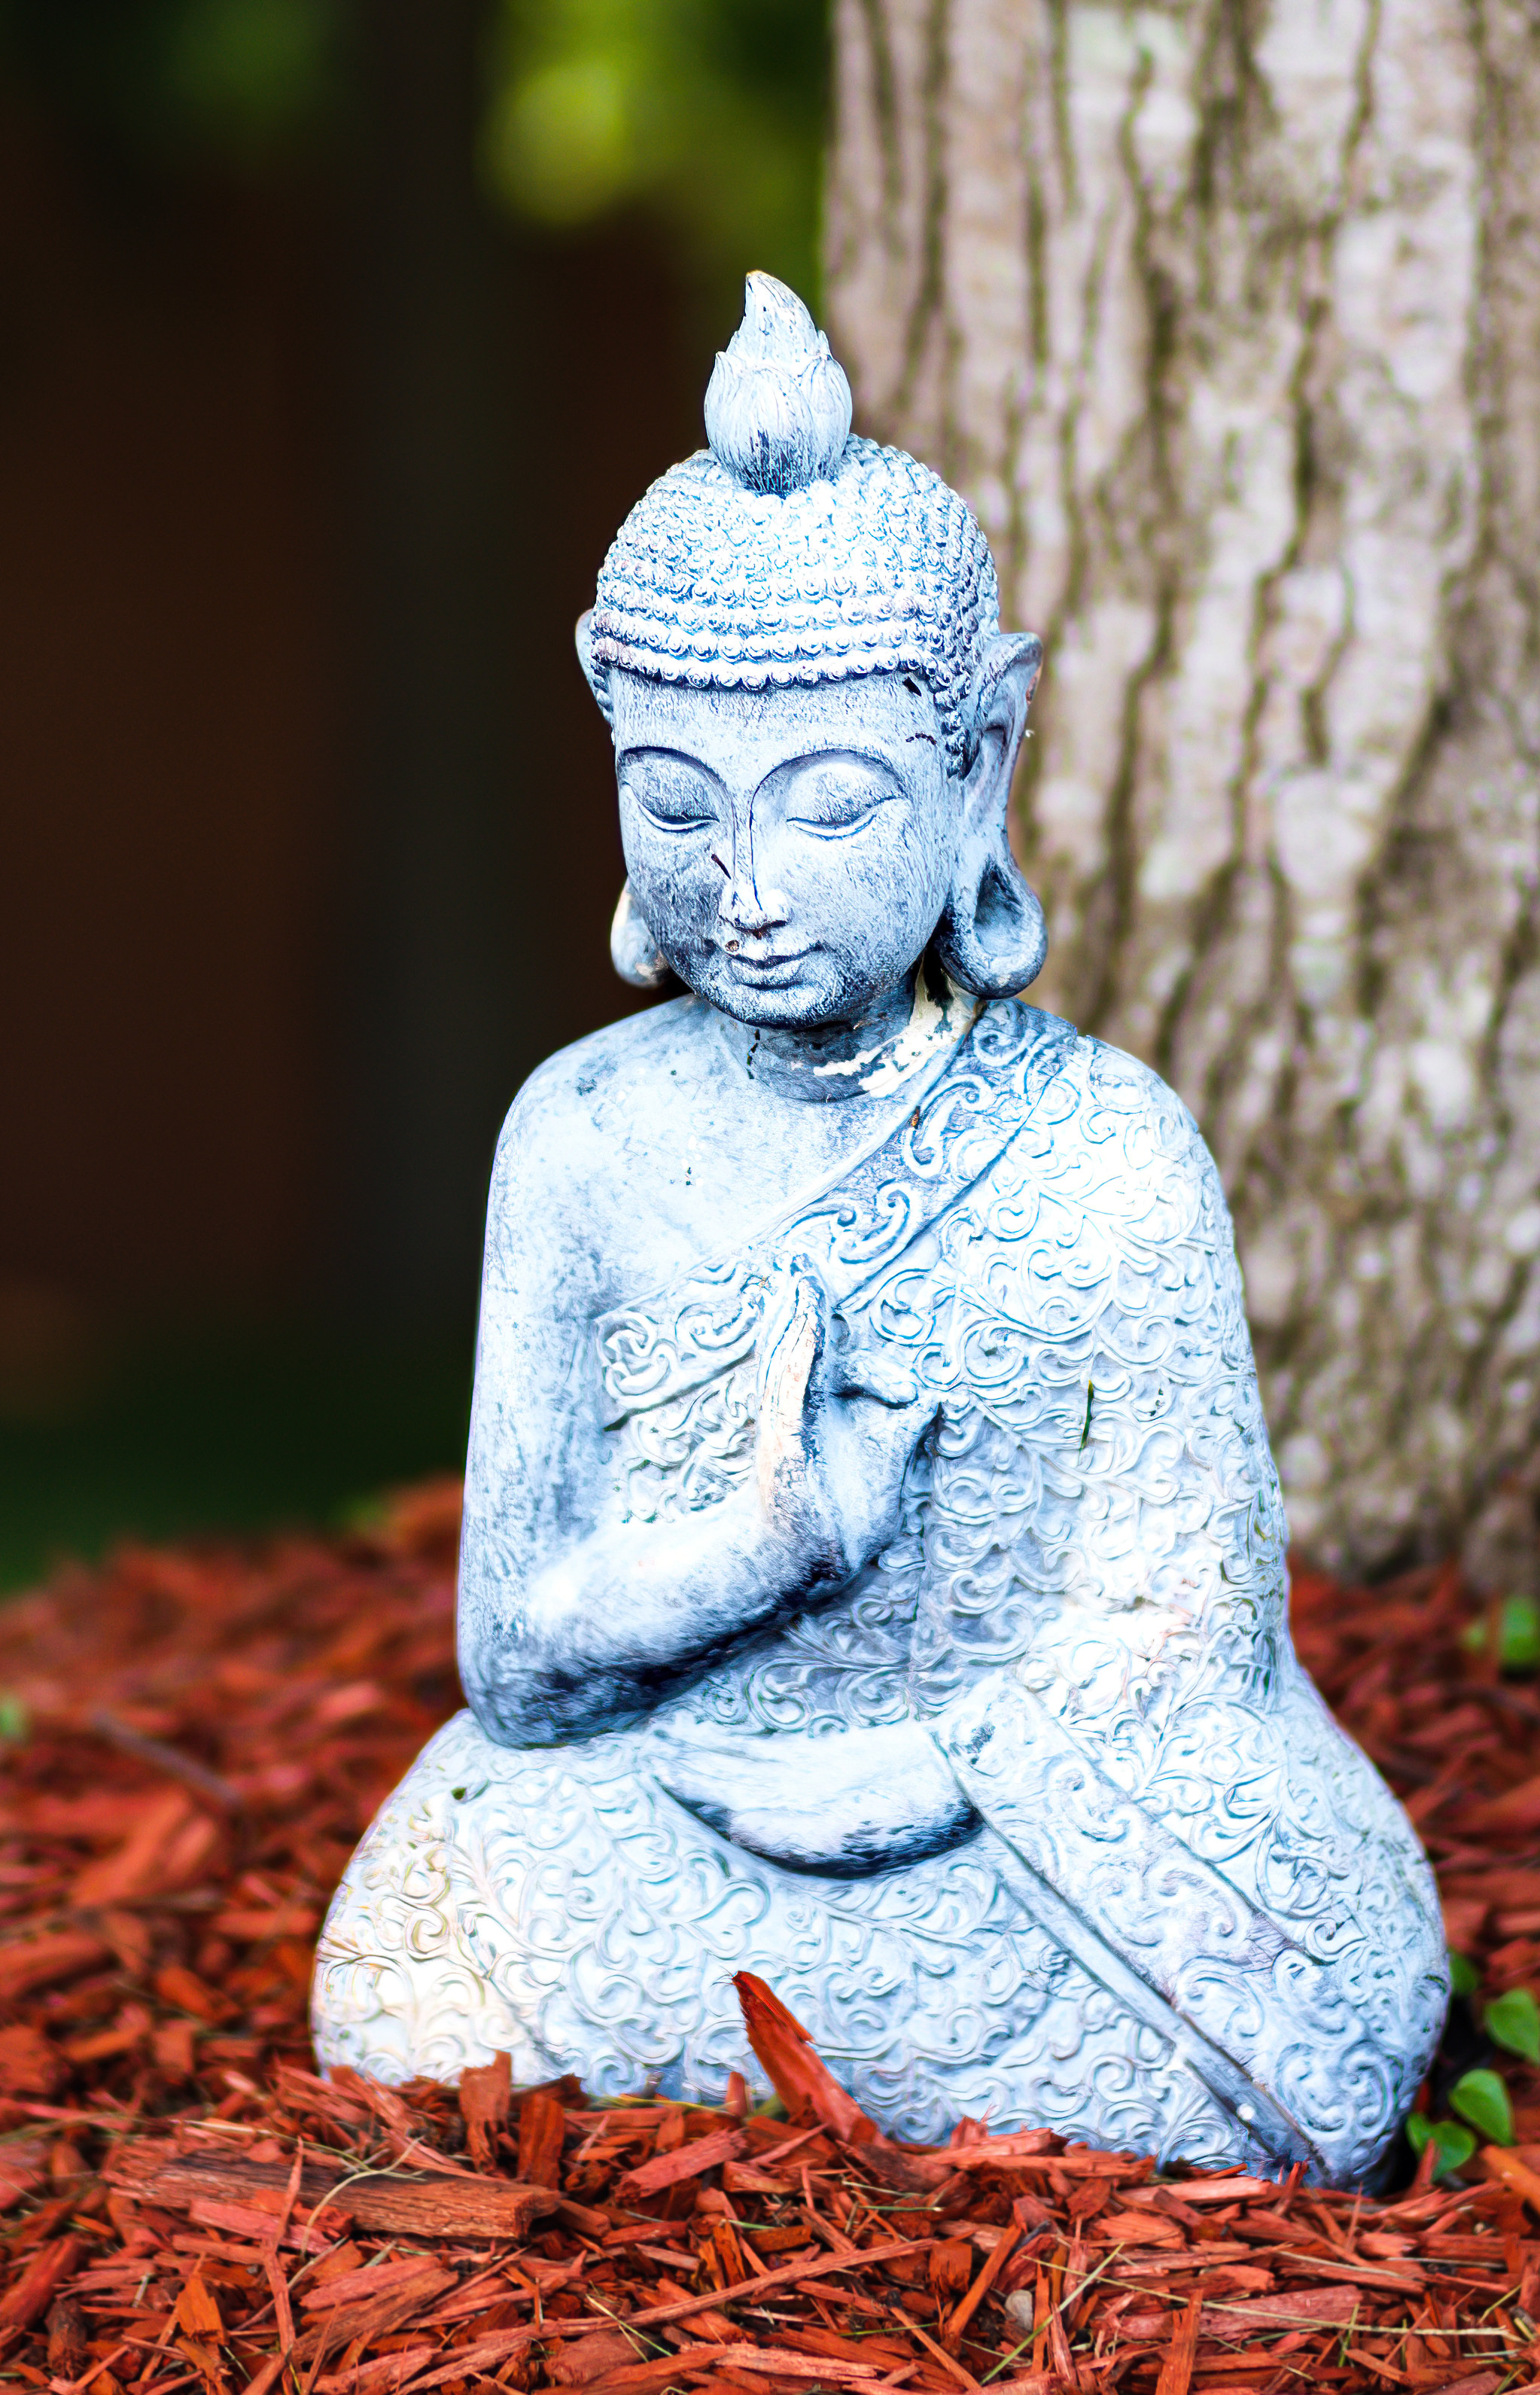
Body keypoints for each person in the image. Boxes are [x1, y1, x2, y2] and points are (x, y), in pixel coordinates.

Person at [309, 279, 1447, 2180]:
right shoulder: (579, 1136)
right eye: (677, 806)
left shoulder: (1101, 1147)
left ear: (979, 757)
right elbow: (515, 1655)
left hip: (1024, 1826)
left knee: (1309, 2002)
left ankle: (825, 2077)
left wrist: (925, 1768)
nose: (743, 891)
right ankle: (849, 2082)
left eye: (831, 809)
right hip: (665, 1798)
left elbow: (1194, 1632)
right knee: (426, 1940)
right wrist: (770, 1542)